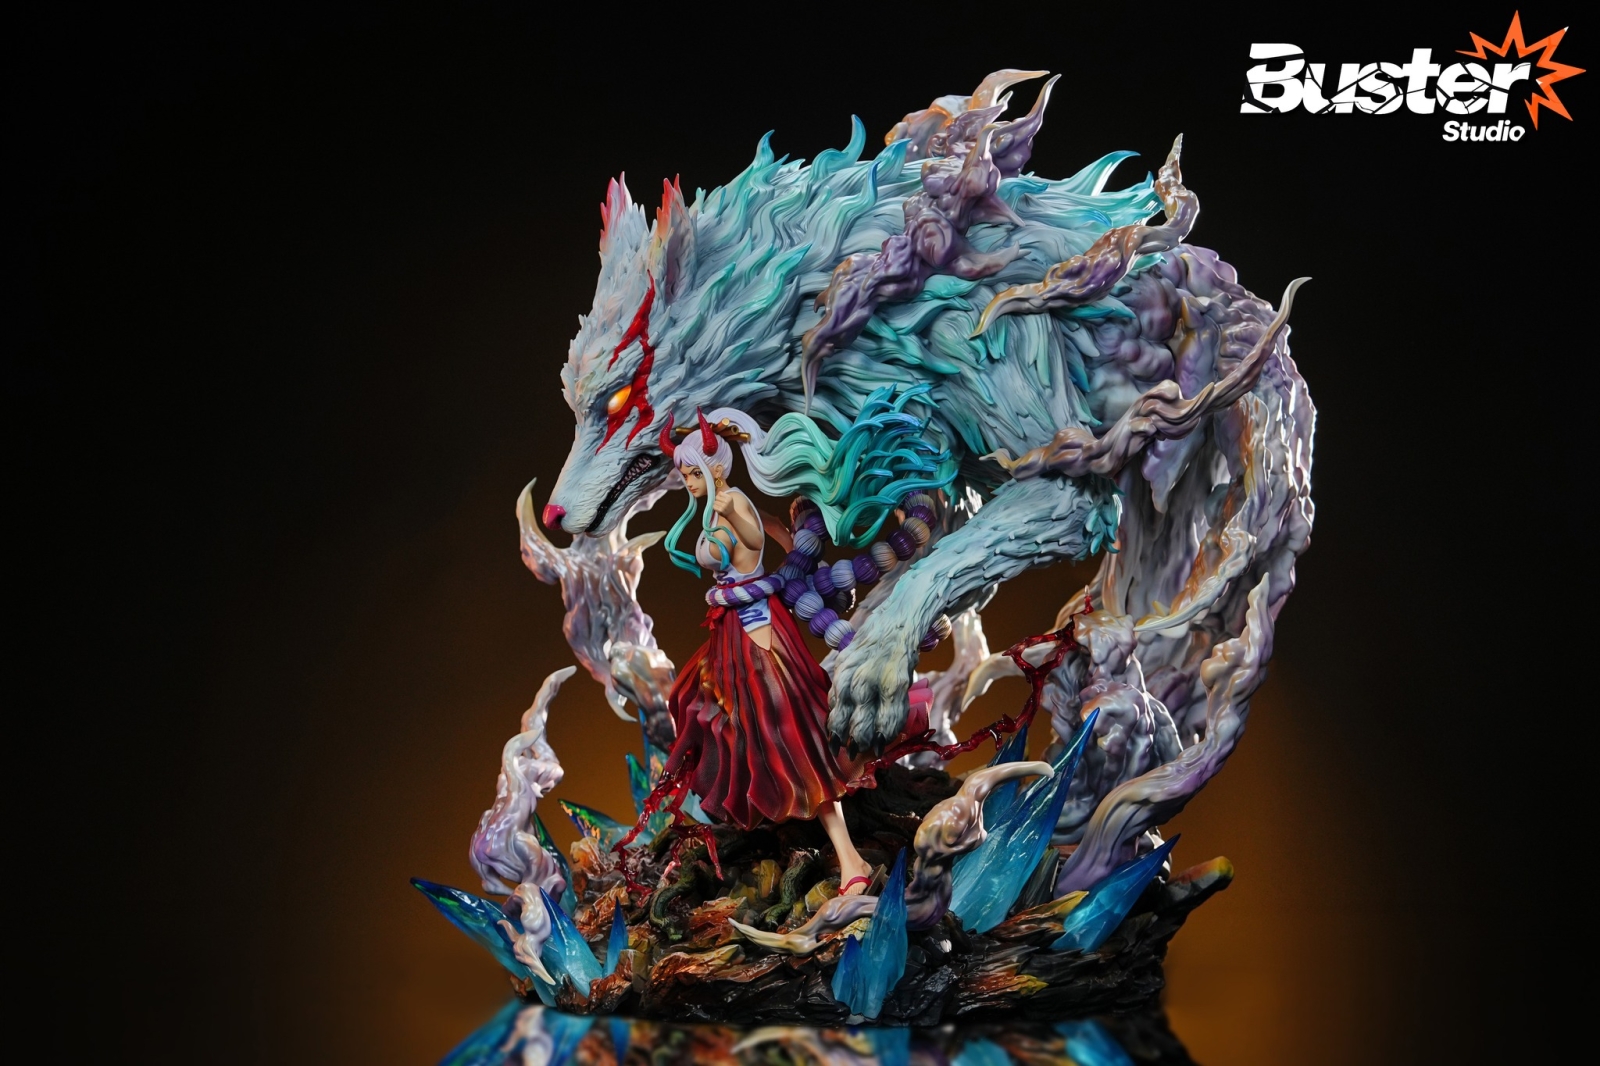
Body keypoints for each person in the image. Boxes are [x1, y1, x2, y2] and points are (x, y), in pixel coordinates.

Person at [660, 411, 875, 896]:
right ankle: (732, 837)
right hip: (733, 631)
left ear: (716, 468)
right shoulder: (720, 506)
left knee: (794, 738)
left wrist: (742, 523)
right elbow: (772, 529)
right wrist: (790, 548)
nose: (688, 482)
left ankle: (851, 860)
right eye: (685, 474)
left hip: (756, 632)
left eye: (693, 472)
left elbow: (755, 537)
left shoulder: (732, 502)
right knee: (703, 709)